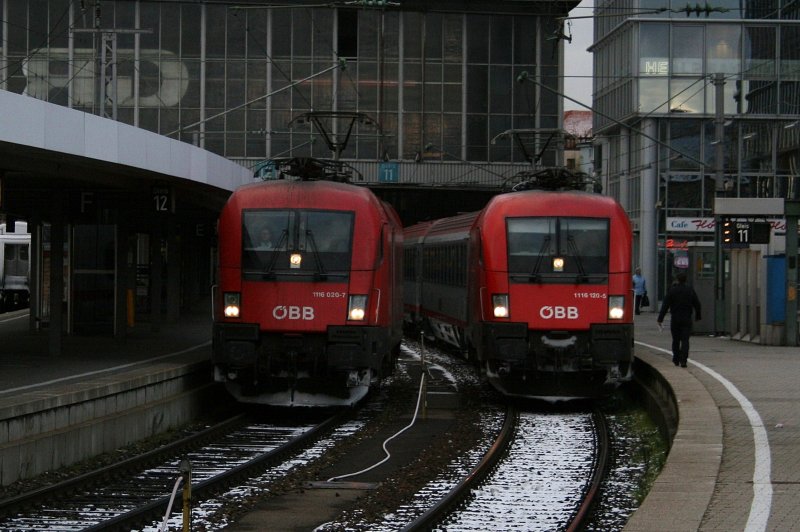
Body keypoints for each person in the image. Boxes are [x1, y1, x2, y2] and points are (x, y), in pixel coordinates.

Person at [657, 272, 702, 367]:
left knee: (676, 339)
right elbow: (697, 304)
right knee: (685, 340)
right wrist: (698, 316)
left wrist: (660, 318)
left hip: (675, 318)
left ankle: (676, 358)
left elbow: (665, 305)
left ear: (677, 280)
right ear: (685, 280)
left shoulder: (672, 291)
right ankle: (684, 360)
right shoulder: (690, 290)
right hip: (686, 317)